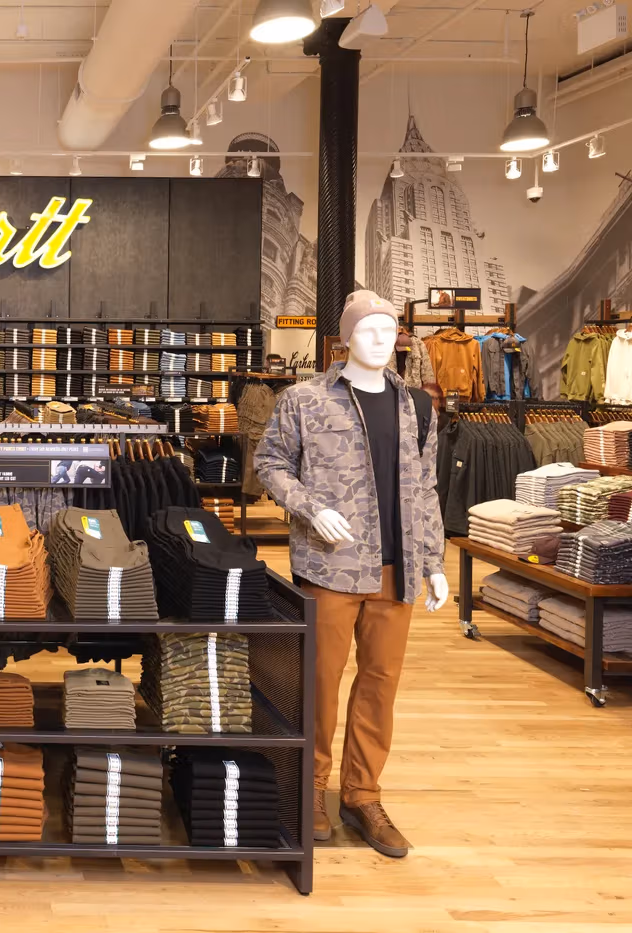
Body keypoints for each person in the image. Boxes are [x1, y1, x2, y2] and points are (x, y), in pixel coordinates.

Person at [254, 290, 447, 861]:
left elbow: (426, 488)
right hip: (331, 568)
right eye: (369, 330)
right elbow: (269, 464)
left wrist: (433, 562)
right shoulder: (305, 400)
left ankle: (363, 795)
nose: (381, 339)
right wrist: (310, 506)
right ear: (345, 337)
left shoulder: (419, 406)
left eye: (390, 330)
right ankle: (311, 787)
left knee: (380, 684)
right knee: (320, 682)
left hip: (399, 568)